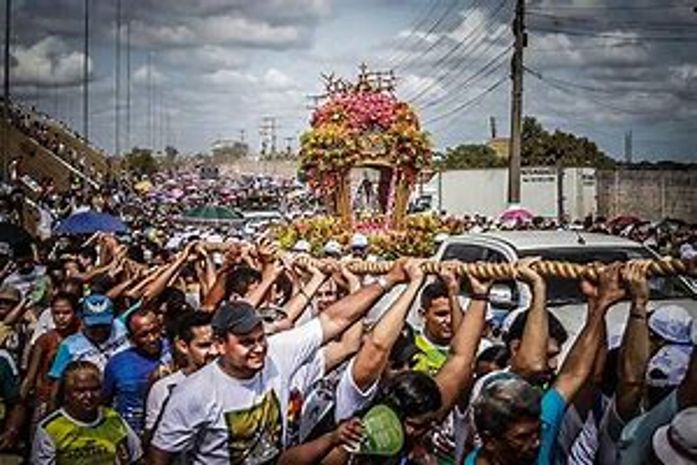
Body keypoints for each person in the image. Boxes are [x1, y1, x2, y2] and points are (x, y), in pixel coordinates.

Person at [149, 260, 408, 465]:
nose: (259, 348)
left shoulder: (278, 353)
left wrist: (388, 281)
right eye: (246, 342)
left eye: (261, 338)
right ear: (220, 345)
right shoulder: (192, 394)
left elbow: (332, 320)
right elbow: (160, 456)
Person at [31, 361, 142, 464]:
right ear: (66, 393)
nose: (89, 396)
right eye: (80, 391)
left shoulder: (113, 418)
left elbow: (135, 457)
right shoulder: (50, 428)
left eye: (95, 389)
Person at [144, 311, 219, 440]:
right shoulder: (165, 389)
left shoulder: (235, 379)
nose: (214, 351)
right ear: (183, 346)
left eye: (217, 343)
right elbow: (153, 443)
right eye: (204, 345)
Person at [103, 307, 171, 435]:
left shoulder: (175, 353)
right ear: (131, 338)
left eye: (155, 331)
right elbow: (104, 404)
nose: (152, 339)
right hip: (130, 435)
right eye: (144, 335)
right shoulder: (117, 363)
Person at [21, 292, 80, 428]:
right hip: (45, 397)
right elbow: (31, 375)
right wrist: (21, 401)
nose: (61, 317)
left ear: (75, 312)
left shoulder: (82, 336)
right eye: (56, 313)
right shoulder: (45, 339)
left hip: (74, 399)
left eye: (66, 312)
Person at [48, 294, 129, 386]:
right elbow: (56, 382)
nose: (100, 330)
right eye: (94, 326)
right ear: (82, 320)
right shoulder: (69, 346)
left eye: (104, 325)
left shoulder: (122, 325)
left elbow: (145, 300)